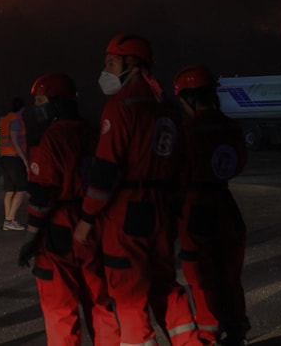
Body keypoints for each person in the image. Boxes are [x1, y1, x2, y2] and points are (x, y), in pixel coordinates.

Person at [72, 34, 206, 346]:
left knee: (128, 290)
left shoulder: (120, 107)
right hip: (162, 209)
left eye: (110, 62)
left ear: (131, 65)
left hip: (128, 211)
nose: (104, 69)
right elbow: (182, 162)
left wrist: (86, 219)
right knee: (164, 283)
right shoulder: (167, 108)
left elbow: (105, 170)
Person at [19, 73, 118, 346]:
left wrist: (30, 238)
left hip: (58, 228)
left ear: (55, 103)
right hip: (91, 222)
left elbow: (42, 195)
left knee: (60, 308)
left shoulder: (51, 138)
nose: (36, 107)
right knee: (100, 302)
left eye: (40, 101)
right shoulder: (92, 131)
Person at [173, 64, 251, 346]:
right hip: (226, 205)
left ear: (188, 98)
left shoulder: (187, 131)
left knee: (201, 278)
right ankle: (238, 330)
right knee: (230, 273)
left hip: (196, 209)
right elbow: (238, 163)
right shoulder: (230, 126)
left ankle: (209, 336)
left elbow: (177, 171)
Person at [0, 98, 29, 229]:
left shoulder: (5, 119)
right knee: (21, 189)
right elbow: (15, 140)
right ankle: (11, 219)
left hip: (4, 157)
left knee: (10, 190)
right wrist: (24, 159)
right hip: (14, 158)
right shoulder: (16, 120)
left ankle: (7, 220)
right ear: (23, 108)